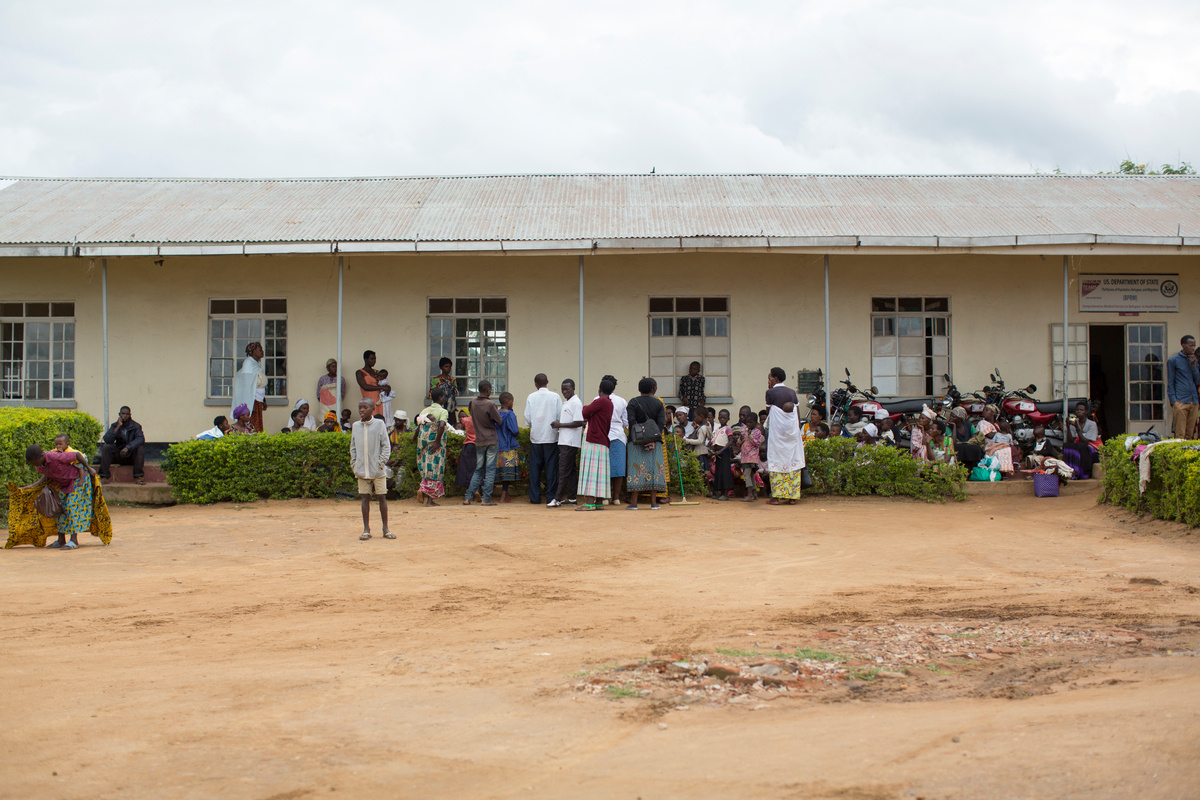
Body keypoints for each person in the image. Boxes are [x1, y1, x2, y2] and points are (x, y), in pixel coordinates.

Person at [20, 443, 105, 549]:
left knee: (71, 506)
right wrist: (32, 486)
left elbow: (77, 455)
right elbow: (48, 474)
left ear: (41, 456)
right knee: (60, 508)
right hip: (63, 484)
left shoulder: (55, 456)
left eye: (35, 462)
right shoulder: (39, 466)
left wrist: (89, 468)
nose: (35, 466)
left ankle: (74, 540)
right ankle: (61, 540)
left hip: (77, 479)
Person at [350, 399, 392, 540]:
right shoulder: (355, 426)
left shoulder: (379, 424)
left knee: (381, 497)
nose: (361, 410)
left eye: (365, 407)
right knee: (364, 498)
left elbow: (386, 445)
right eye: (360, 407)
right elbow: (353, 446)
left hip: (377, 470)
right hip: (362, 469)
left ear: (372, 409)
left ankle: (385, 528)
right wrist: (354, 463)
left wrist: (381, 463)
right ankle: (366, 529)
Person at [765, 367, 805, 505]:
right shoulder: (792, 392)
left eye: (770, 377)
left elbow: (769, 412)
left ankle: (776, 497)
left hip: (778, 435)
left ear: (775, 378)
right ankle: (792, 496)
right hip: (792, 434)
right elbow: (796, 413)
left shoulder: (770, 392)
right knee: (792, 461)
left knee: (776, 460)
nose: (768, 380)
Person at [625, 377, 667, 510]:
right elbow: (660, 424)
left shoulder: (633, 402)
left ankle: (634, 503)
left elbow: (631, 422)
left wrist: (640, 438)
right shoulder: (659, 404)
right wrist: (652, 440)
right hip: (654, 442)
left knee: (635, 470)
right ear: (653, 389)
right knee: (654, 470)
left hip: (636, 441)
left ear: (639, 389)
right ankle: (654, 503)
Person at [574, 380, 615, 511]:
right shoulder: (609, 402)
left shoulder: (600, 401)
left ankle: (590, 502)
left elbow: (585, 412)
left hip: (593, 439)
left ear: (599, 390)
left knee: (591, 470)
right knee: (599, 472)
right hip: (602, 440)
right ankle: (598, 502)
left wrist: (587, 408)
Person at [524, 373, 562, 505]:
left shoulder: (531, 397)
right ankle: (551, 497)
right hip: (551, 437)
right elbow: (559, 416)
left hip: (536, 437)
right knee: (551, 469)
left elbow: (528, 418)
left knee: (535, 469)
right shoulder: (555, 396)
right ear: (548, 382)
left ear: (535, 384)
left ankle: (535, 497)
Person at [464, 380, 504, 506]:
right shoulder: (490, 404)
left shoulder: (474, 402)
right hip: (491, 439)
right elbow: (499, 421)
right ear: (488, 390)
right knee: (490, 470)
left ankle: (467, 497)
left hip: (479, 440)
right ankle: (486, 499)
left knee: (478, 469)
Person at [549, 379, 584, 507]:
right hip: (565, 441)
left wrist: (560, 425)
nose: (564, 392)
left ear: (573, 388)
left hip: (570, 442)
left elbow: (579, 422)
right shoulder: (568, 402)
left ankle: (557, 499)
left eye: (567, 389)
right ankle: (572, 497)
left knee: (563, 470)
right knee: (570, 471)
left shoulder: (575, 403)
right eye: (562, 389)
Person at [416, 387, 451, 506]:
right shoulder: (443, 411)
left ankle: (425, 492)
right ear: (441, 398)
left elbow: (419, 425)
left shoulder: (424, 410)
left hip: (424, 444)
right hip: (436, 445)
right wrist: (437, 442)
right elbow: (441, 425)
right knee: (435, 469)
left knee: (427, 468)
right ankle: (428, 497)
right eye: (444, 396)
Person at [99, 406, 145, 484]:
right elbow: (107, 440)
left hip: (131, 456)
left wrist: (128, 448)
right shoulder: (115, 425)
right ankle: (104, 477)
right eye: (123, 414)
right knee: (106, 447)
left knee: (140, 448)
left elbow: (140, 439)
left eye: (127, 414)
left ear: (130, 415)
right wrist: (118, 427)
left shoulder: (136, 426)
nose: (125, 416)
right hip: (119, 455)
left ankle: (138, 477)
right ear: (119, 414)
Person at [603, 375, 629, 506]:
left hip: (603, 436)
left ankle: (605, 497)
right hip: (618, 436)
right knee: (618, 468)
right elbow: (626, 421)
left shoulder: (597, 399)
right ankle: (616, 497)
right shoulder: (622, 401)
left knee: (604, 467)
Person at [1167, 335, 1200, 439]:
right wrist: (1173, 401)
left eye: (1194, 346)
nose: (1193, 348)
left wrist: (1194, 366)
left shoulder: (1194, 360)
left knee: (1190, 434)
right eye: (1191, 345)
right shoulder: (1173, 360)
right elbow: (1170, 381)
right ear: (1183, 345)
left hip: (1193, 401)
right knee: (1180, 435)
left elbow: (1198, 380)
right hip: (1180, 400)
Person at [231, 341, 267, 433]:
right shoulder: (248, 364)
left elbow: (256, 383)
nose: (262, 352)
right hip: (252, 401)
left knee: (259, 425)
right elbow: (247, 386)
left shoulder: (257, 364)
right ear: (253, 352)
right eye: (260, 350)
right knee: (254, 426)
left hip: (258, 399)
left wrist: (263, 399)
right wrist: (250, 403)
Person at [732, 406, 764, 501]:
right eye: (747, 422)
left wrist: (750, 437)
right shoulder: (743, 431)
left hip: (752, 458)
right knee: (750, 475)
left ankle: (750, 494)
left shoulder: (757, 432)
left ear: (755, 422)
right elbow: (738, 444)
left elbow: (757, 443)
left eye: (751, 422)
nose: (749, 424)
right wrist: (740, 439)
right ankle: (754, 494)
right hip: (745, 457)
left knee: (747, 475)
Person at [496, 392, 521, 503]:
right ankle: (503, 496)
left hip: (497, 445)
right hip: (508, 445)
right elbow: (515, 430)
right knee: (508, 473)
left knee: (499, 472)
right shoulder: (510, 414)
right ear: (507, 401)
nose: (512, 403)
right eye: (512, 401)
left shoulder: (496, 413)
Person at [1063, 402, 1099, 478]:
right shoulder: (1074, 423)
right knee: (1066, 445)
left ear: (1086, 412)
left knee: (1081, 446)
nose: (1078, 411)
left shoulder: (1092, 424)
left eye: (1081, 410)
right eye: (1077, 410)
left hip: (1090, 448)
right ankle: (1069, 471)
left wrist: (1077, 428)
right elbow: (1070, 440)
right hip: (1079, 445)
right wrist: (1068, 426)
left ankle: (1084, 473)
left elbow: (1085, 442)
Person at [977, 406, 1014, 475]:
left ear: (993, 413)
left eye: (987, 410)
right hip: (990, 445)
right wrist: (1002, 433)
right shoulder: (982, 423)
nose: (984, 412)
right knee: (1001, 452)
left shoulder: (997, 423)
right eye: (983, 410)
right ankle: (1002, 472)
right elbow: (989, 435)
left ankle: (1007, 470)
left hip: (1000, 444)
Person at [709, 408, 734, 499]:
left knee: (725, 473)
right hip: (717, 454)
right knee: (718, 473)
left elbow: (730, 441)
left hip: (724, 453)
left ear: (728, 418)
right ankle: (718, 492)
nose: (722, 419)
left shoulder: (728, 428)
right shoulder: (718, 429)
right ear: (718, 418)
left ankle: (725, 493)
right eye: (721, 417)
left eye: (725, 417)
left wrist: (721, 450)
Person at [431, 357, 459, 426]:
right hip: (440, 406)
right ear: (441, 367)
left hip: (450, 407)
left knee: (452, 425)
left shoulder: (452, 380)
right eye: (446, 366)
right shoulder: (435, 380)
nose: (448, 369)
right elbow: (433, 393)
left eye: (449, 367)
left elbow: (455, 392)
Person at [455, 409, 477, 491]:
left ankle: (470, 492)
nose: (461, 418)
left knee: (467, 470)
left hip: (468, 445)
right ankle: (477, 490)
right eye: (459, 416)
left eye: (463, 416)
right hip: (478, 445)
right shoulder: (479, 420)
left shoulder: (466, 421)